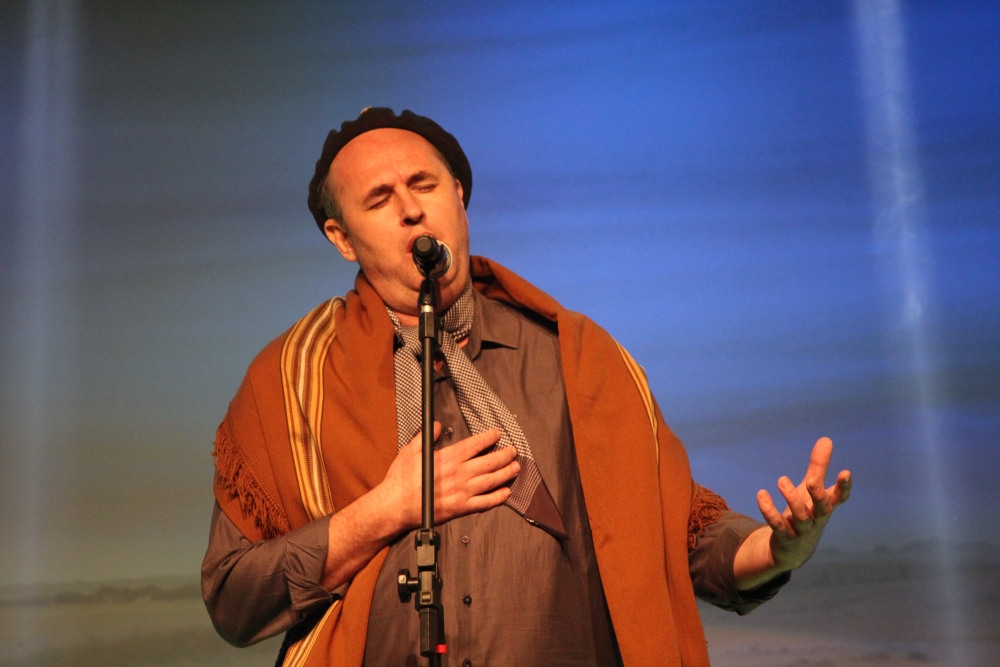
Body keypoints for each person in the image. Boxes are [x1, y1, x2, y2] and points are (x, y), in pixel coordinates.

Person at [201, 108, 852, 667]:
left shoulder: (577, 359)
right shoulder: (292, 381)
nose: (410, 208)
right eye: (379, 199)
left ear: (459, 196)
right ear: (342, 238)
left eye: (424, 184)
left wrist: (776, 549)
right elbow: (234, 598)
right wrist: (385, 510)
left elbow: (674, 532)